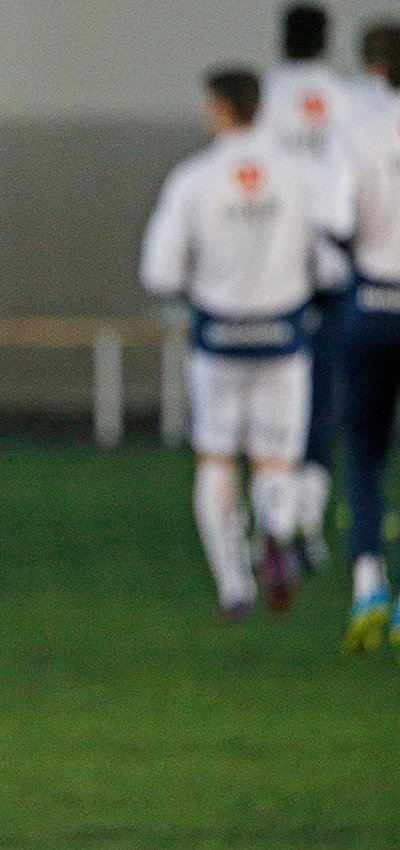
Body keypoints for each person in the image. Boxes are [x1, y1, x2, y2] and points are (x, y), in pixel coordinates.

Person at [141, 69, 322, 619]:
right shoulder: (300, 173)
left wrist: (203, 284)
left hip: (218, 335)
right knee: (276, 456)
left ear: (219, 108)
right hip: (283, 332)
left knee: (217, 457)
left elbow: (158, 273)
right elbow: (330, 260)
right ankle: (276, 530)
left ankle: (234, 586)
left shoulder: (194, 178)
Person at [258, 3, 353, 572]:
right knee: (324, 398)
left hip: (278, 273)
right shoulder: (346, 99)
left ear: (282, 40)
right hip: (337, 271)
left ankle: (275, 521)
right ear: (326, 41)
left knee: (272, 404)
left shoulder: (266, 100)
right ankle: (309, 525)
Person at [319, 33, 400, 651]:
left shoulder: (356, 131)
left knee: (366, 452)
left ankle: (369, 583)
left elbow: (335, 219)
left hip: (371, 302)